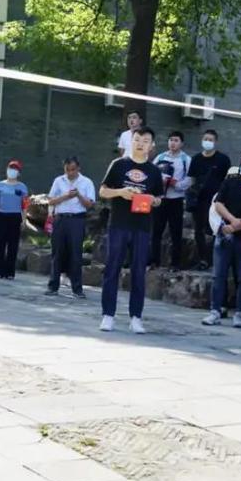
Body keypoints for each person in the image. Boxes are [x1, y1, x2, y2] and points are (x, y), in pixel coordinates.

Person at [99, 127, 164, 334]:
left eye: (145, 141)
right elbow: (103, 191)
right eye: (137, 139)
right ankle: (108, 315)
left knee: (138, 272)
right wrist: (121, 192)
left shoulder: (154, 171)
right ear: (131, 141)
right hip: (119, 223)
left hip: (142, 227)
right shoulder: (118, 165)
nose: (140, 144)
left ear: (151, 146)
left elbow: (160, 198)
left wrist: (153, 200)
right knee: (112, 269)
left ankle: (136, 317)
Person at [202, 148, 241, 327]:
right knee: (218, 276)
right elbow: (218, 203)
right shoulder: (230, 181)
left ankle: (239, 312)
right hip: (225, 234)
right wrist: (232, 221)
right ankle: (215, 311)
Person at [45, 156, 96, 298]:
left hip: (77, 220)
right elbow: (51, 201)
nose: (70, 173)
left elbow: (89, 204)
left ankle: (77, 289)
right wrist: (66, 196)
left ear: (78, 168)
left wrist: (78, 195)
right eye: (67, 170)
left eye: (73, 169)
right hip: (60, 219)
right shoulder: (58, 181)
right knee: (57, 253)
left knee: (76, 254)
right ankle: (53, 286)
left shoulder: (86, 182)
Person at [188, 130, 231, 270]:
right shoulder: (196, 159)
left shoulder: (223, 159)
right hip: (199, 199)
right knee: (198, 230)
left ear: (215, 142)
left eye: (210, 139)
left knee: (214, 228)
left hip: (215, 201)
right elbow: (192, 179)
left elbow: (227, 180)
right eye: (205, 139)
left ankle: (215, 259)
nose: (207, 142)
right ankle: (203, 259)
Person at [151, 131, 193, 270]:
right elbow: (151, 173)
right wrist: (159, 182)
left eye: (176, 140)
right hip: (160, 199)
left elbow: (190, 180)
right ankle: (154, 261)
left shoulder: (186, 159)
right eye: (171, 140)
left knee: (176, 232)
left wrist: (175, 184)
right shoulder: (160, 157)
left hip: (176, 199)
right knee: (156, 231)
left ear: (181, 143)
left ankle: (175, 263)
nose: (173, 143)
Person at [0, 160, 29, 280]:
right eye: (10, 168)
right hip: (2, 215)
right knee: (0, 244)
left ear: (19, 172)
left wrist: (24, 219)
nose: (12, 171)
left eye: (15, 169)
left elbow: (25, 205)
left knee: (13, 245)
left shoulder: (22, 187)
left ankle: (10, 272)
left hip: (15, 216)